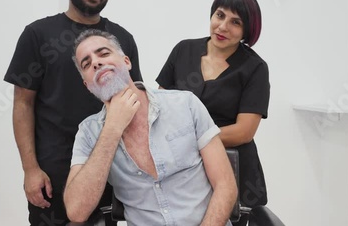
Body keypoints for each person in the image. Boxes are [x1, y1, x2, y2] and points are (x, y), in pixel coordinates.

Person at [3, 0, 142, 226]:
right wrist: (30, 169)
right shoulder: (38, 34)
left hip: (114, 167)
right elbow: (23, 105)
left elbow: (133, 99)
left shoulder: (122, 39)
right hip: (55, 171)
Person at [64, 29, 238, 226]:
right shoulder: (88, 133)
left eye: (104, 53)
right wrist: (112, 127)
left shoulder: (186, 104)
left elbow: (226, 185)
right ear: (87, 85)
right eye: (86, 64)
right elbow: (76, 211)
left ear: (127, 62)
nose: (96, 62)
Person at [156, 0, 270, 226]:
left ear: (247, 31)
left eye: (235, 22)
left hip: (234, 167)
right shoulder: (183, 50)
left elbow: (244, 131)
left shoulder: (255, 68)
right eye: (219, 15)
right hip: (184, 169)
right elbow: (160, 108)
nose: (223, 27)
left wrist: (188, 141)